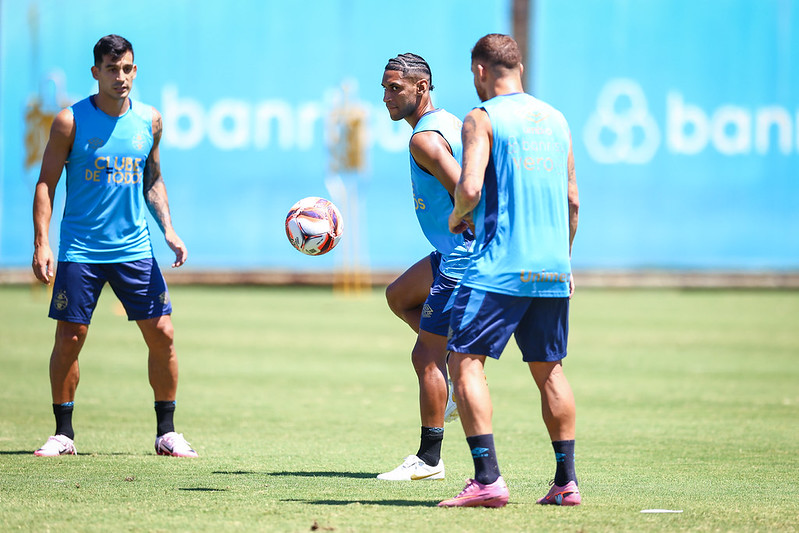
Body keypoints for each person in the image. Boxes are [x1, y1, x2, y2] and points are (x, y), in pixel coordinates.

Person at [31, 34, 197, 458]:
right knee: (70, 337)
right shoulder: (70, 121)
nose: (120, 77)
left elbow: (152, 178)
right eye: (111, 69)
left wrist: (169, 230)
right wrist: (41, 243)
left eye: (126, 69)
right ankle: (63, 434)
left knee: (163, 334)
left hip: (134, 249)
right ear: (96, 72)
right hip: (80, 250)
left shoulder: (150, 121)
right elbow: (46, 183)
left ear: (134, 70)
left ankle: (167, 433)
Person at [438, 34, 581, 508]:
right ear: (518, 67)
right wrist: (565, 259)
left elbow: (471, 187)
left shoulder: (481, 118)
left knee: (464, 361)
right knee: (549, 370)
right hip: (552, 267)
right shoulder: (557, 120)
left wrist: (459, 213)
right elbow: (573, 200)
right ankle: (566, 483)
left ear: (480, 71)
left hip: (500, 266)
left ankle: (487, 479)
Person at [377, 53, 472, 481]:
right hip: (451, 248)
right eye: (384, 88)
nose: (386, 96)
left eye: (395, 88)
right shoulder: (448, 121)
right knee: (399, 296)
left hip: (462, 254)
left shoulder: (423, 139)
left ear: (422, 87)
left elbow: (466, 190)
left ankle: (429, 459)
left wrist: (474, 231)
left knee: (424, 355)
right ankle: (452, 361)